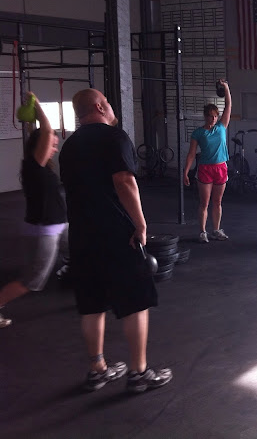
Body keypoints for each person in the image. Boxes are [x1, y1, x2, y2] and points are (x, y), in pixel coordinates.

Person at [59, 88, 172, 393]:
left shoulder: (69, 146)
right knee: (137, 302)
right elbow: (124, 181)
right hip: (116, 234)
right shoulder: (114, 137)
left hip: (81, 236)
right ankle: (138, 373)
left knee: (92, 305)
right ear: (99, 107)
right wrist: (141, 223)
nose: (111, 107)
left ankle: (97, 370)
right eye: (107, 103)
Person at [0, 93, 67, 328]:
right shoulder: (33, 166)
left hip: (60, 226)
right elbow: (46, 131)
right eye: (52, 145)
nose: (54, 148)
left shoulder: (40, 166)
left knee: (85, 249)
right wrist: (36, 103)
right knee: (32, 280)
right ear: (41, 146)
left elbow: (41, 135)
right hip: (44, 231)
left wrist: (30, 121)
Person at [183, 80, 232, 243]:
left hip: (221, 168)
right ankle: (202, 232)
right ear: (205, 116)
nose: (213, 118)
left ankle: (216, 230)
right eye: (210, 116)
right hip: (205, 169)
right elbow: (191, 153)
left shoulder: (221, 127)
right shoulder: (198, 133)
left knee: (217, 202)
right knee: (204, 202)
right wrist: (185, 172)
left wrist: (226, 88)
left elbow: (228, 105)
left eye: (215, 116)